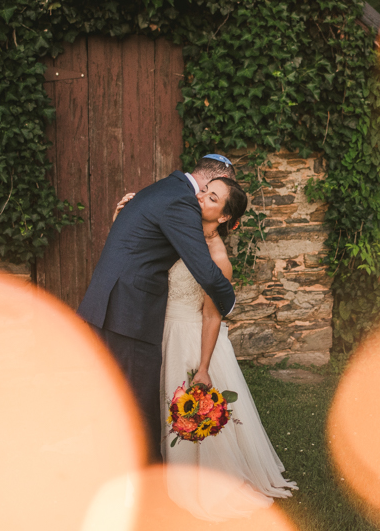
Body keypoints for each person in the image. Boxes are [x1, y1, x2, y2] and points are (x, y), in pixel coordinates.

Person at [113, 175, 297, 521]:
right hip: (157, 329)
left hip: (189, 339)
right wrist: (129, 214)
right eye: (203, 191)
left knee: (184, 409)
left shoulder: (217, 257)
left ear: (225, 217)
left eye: (212, 198)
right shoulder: (178, 231)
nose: (201, 199)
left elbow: (212, 319)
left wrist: (202, 367)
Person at [77, 155, 237, 463]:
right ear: (207, 182)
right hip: (128, 313)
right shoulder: (181, 201)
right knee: (137, 405)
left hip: (112, 305)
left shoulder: (163, 190)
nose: (204, 198)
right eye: (215, 189)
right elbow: (202, 268)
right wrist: (227, 299)